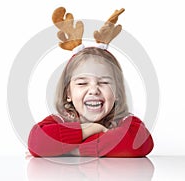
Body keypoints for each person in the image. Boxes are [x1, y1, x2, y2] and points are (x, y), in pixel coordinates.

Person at [27, 7, 154, 157]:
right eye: (82, 83)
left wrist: (75, 150)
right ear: (68, 93)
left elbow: (139, 143)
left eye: (104, 82)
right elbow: (37, 142)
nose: (94, 90)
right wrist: (92, 129)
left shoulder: (125, 121)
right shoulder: (63, 119)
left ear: (117, 92)